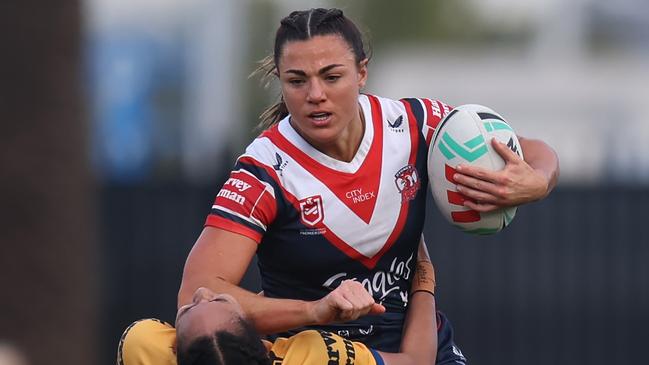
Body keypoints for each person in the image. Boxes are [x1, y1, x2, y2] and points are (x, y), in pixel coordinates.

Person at [175, 7, 558, 364]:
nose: (315, 95)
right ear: (280, 80)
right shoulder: (265, 171)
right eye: (297, 81)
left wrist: (536, 180)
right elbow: (199, 290)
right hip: (320, 353)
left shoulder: (413, 124)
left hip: (419, 343)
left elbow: (532, 150)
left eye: (331, 76)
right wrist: (312, 311)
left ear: (362, 72)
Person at [119, 247, 439, 365]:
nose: (201, 291)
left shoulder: (145, 347)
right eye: (218, 299)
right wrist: (423, 274)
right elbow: (416, 360)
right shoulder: (314, 356)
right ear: (261, 342)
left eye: (187, 310)